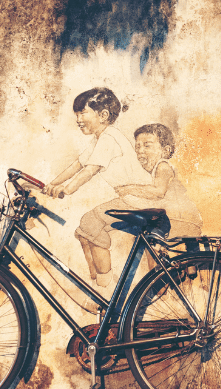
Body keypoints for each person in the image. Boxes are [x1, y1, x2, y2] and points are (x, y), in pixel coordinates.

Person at [44, 88, 150, 286]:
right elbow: (78, 164)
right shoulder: (100, 138)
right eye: (76, 114)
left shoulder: (109, 138)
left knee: (90, 223)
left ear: (103, 115)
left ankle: (106, 285)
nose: (78, 119)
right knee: (84, 233)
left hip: (138, 198)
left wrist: (66, 190)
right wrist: (53, 184)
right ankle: (96, 282)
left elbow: (90, 170)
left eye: (83, 113)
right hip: (131, 198)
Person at [114, 123, 203, 242]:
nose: (140, 151)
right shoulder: (154, 170)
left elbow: (158, 192)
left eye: (147, 146)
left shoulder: (163, 166)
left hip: (181, 219)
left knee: (150, 241)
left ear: (165, 151)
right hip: (180, 218)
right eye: (137, 146)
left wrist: (128, 189)